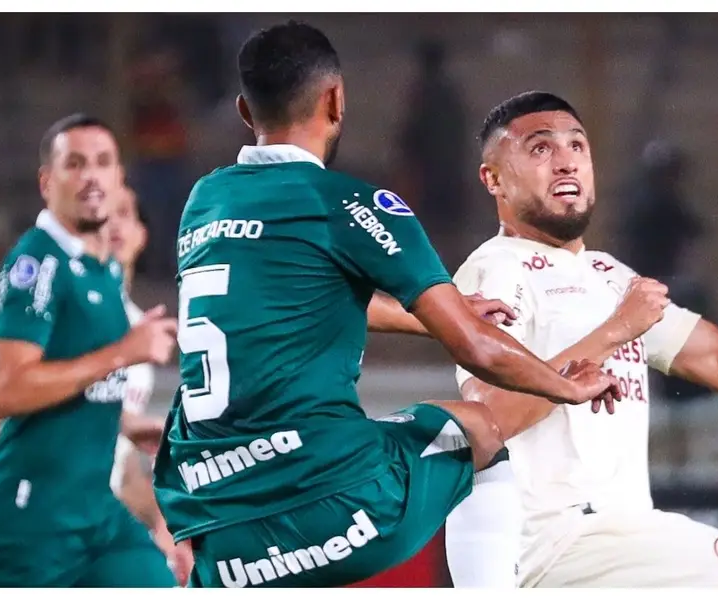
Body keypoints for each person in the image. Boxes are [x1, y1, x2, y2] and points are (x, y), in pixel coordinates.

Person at [150, 22, 620, 589]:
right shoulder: (352, 203)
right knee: (478, 426)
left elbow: (305, 297)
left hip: (214, 515)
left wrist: (434, 313)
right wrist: (565, 385)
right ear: (335, 99)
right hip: (328, 499)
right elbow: (473, 349)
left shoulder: (205, 199)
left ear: (245, 112)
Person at [446, 91, 718, 588]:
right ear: (493, 178)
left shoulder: (611, 276)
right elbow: (488, 421)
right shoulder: (496, 267)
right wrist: (615, 331)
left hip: (620, 534)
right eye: (540, 149)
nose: (565, 161)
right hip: (558, 538)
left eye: (577, 146)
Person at [0, 114, 180, 587]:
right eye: (75, 164)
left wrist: (123, 425)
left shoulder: (104, 276)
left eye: (103, 163)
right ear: (46, 182)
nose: (91, 175)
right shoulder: (38, 263)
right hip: (31, 521)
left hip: (94, 511)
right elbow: (0, 393)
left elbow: (81, 389)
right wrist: (121, 354)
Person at [103, 185, 195, 585]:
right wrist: (126, 422)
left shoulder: (139, 327)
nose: (114, 224)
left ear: (143, 234)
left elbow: (121, 468)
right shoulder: (64, 307)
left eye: (125, 213)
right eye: (105, 214)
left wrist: (165, 525)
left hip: (97, 518)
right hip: (53, 515)